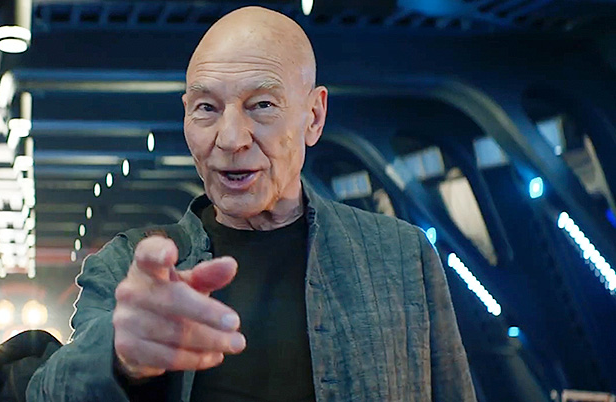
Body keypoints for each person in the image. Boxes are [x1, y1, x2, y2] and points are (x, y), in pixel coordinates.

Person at [27, 6, 476, 402]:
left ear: (314, 117)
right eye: (206, 108)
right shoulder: (127, 266)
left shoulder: (399, 256)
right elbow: (48, 391)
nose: (230, 139)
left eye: (261, 105)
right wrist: (119, 354)